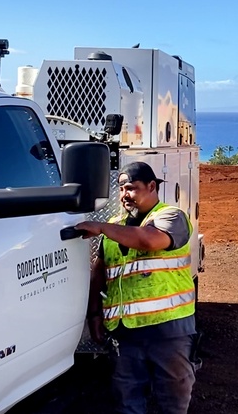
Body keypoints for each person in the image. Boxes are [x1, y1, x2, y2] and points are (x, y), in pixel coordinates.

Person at [76, 161, 198, 414]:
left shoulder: (171, 216)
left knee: (173, 400)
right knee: (127, 400)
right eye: (121, 189)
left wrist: (100, 228)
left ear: (152, 186)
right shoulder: (116, 223)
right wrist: (95, 315)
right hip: (125, 333)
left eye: (131, 188)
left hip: (167, 329)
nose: (124, 196)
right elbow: (100, 272)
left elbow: (149, 240)